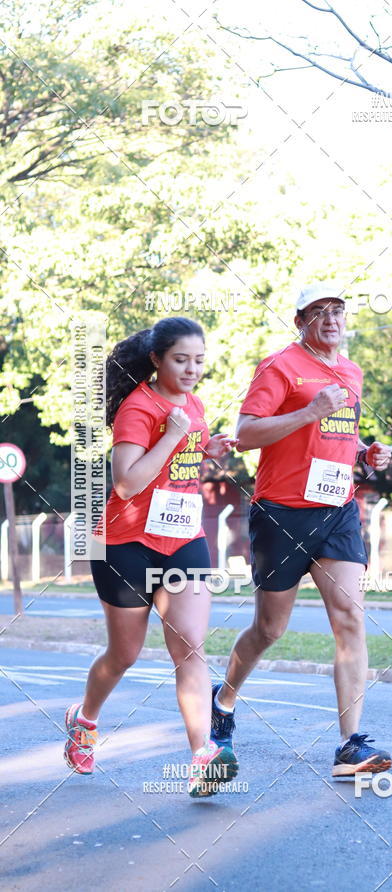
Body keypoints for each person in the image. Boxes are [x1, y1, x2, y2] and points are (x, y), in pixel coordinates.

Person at [210, 283, 392, 777]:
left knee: (351, 619)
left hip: (337, 510)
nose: (331, 320)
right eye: (319, 313)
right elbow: (246, 434)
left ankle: (349, 744)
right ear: (300, 322)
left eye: (338, 311)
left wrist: (365, 456)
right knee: (270, 628)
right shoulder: (280, 367)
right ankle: (224, 699)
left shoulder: (351, 372)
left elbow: (336, 441)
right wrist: (311, 409)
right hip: (282, 512)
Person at [64, 316, 238, 797]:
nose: (191, 370)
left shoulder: (194, 406)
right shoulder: (138, 408)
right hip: (125, 545)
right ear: (156, 360)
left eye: (199, 361)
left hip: (182, 538)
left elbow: (182, 460)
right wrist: (171, 435)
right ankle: (85, 719)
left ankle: (203, 756)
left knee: (190, 647)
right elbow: (127, 482)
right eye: (181, 360)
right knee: (125, 654)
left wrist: (207, 448)